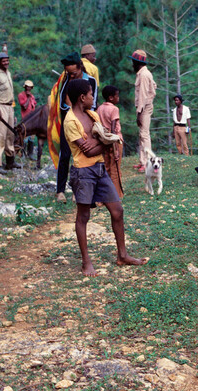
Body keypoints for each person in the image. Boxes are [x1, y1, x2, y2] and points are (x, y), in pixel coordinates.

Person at [63, 79, 146, 276]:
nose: (93, 98)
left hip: (100, 169)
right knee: (83, 216)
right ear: (82, 97)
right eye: (91, 94)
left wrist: (104, 141)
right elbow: (91, 149)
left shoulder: (92, 115)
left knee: (117, 210)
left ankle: (122, 255)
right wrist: (109, 142)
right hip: (83, 172)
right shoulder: (70, 121)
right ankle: (86, 262)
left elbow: (100, 142)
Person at [47, 52, 98, 203]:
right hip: (68, 124)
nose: (72, 76)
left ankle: (79, 190)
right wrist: (71, 112)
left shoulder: (90, 81)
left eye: (74, 73)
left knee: (82, 157)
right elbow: (61, 102)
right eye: (68, 73)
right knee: (65, 155)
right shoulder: (66, 80)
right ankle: (60, 191)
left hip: (85, 124)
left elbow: (93, 104)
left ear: (80, 67)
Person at [129, 49, 156, 173]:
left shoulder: (144, 75)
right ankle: (142, 161)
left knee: (144, 135)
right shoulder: (143, 73)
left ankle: (148, 162)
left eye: (133, 61)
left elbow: (143, 95)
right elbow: (154, 86)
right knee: (142, 134)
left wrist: (139, 113)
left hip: (144, 107)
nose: (132, 64)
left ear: (138, 62)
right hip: (143, 107)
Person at [97, 85, 124, 198]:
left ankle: (105, 194)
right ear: (111, 97)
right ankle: (116, 194)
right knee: (115, 167)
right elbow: (113, 129)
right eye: (117, 96)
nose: (118, 98)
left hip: (104, 141)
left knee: (107, 166)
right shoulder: (114, 109)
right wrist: (116, 148)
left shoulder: (99, 109)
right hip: (114, 141)